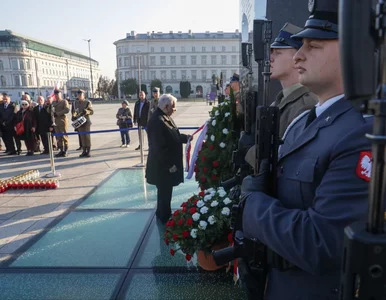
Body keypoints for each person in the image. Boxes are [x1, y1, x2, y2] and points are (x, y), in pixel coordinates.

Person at [239, 0, 374, 299]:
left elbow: (321, 242)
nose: (298, 55)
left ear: (352, 51)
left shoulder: (361, 134)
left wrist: (252, 206)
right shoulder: (305, 120)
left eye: (313, 46)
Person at [244, 23, 318, 167]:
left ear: (298, 56)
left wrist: (250, 151)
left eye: (278, 52)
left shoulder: (306, 105)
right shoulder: (280, 100)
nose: (270, 58)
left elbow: (285, 160)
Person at [145, 94, 190, 223]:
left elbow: (173, 135)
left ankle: (162, 214)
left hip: (164, 166)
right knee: (164, 194)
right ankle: (165, 219)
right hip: (162, 167)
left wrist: (186, 138)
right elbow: (159, 148)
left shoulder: (164, 117)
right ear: (166, 106)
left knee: (165, 194)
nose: (174, 110)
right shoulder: (157, 121)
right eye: (173, 107)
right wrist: (170, 165)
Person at [72, 89, 93, 158]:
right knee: (82, 136)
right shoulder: (75, 103)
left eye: (81, 95)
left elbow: (91, 112)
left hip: (86, 121)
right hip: (79, 122)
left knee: (87, 136)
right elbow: (73, 111)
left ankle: (88, 150)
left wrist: (86, 111)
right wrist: (73, 117)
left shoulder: (87, 102)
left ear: (84, 95)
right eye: (78, 95)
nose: (79, 96)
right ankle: (84, 150)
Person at [52, 89, 70, 157]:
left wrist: (58, 113)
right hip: (56, 122)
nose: (56, 95)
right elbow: (50, 110)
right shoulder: (53, 102)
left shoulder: (64, 101)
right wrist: (48, 107)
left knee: (64, 136)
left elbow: (67, 110)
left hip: (62, 120)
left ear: (60, 94)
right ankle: (61, 150)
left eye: (58, 94)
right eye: (55, 94)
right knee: (58, 137)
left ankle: (65, 150)